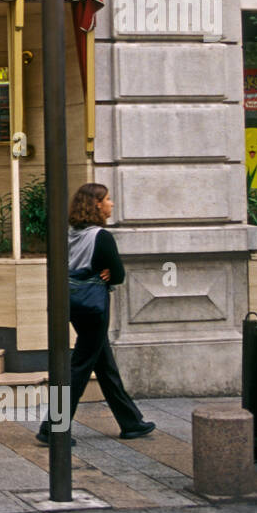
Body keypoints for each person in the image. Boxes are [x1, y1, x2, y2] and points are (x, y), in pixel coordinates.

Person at [36, 183, 156, 446]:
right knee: (79, 368)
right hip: (94, 307)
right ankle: (53, 427)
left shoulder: (68, 233)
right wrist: (107, 271)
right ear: (96, 205)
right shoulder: (101, 236)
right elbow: (120, 274)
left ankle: (131, 422)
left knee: (104, 365)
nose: (111, 203)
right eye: (108, 199)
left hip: (71, 304)